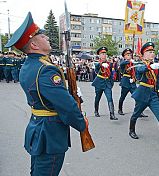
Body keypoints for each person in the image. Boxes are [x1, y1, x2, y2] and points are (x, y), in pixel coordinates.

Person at [5, 12, 88, 175]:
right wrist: (81, 123)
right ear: (34, 45)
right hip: (50, 134)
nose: (47, 37)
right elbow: (66, 106)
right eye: (42, 36)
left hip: (39, 129)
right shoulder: (46, 70)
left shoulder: (29, 66)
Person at [118, 48, 147, 117]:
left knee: (137, 97)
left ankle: (138, 112)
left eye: (130, 55)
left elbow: (138, 66)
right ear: (124, 56)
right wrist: (129, 61)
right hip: (125, 82)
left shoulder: (133, 63)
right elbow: (122, 64)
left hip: (132, 82)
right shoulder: (123, 63)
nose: (129, 56)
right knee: (122, 97)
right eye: (127, 55)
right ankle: (120, 109)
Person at [92, 47, 117, 120]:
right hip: (99, 83)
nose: (104, 55)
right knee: (97, 98)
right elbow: (96, 70)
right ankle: (96, 111)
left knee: (110, 98)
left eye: (105, 53)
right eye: (102, 54)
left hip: (107, 84)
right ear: (99, 55)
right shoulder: (97, 63)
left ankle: (112, 114)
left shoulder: (110, 64)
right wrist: (101, 64)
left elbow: (112, 74)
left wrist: (111, 83)